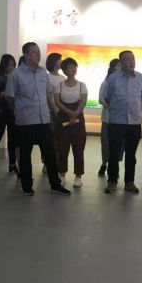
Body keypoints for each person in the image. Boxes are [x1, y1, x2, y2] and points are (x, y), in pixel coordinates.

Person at [5, 42, 71, 197]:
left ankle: (55, 184)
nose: (38, 54)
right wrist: (18, 109)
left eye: (38, 51)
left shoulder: (42, 73)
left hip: (44, 120)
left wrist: (54, 112)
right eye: (34, 52)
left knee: (50, 153)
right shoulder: (16, 75)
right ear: (26, 54)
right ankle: (26, 185)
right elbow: (9, 97)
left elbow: (48, 94)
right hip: (26, 121)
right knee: (25, 155)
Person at [102, 50, 142, 194]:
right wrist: (118, 109)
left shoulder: (140, 77)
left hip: (134, 123)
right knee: (114, 153)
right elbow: (107, 97)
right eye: (128, 59)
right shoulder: (113, 78)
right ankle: (112, 181)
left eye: (133, 59)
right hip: (116, 122)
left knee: (131, 154)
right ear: (121, 62)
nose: (131, 62)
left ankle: (129, 182)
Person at [54, 57, 88, 188]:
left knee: (78, 148)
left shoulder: (82, 85)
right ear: (64, 70)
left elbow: (83, 101)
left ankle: (78, 176)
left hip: (78, 118)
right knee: (62, 148)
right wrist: (69, 112)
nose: (73, 68)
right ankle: (62, 174)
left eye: (75, 66)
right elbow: (57, 101)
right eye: (70, 67)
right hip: (63, 117)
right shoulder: (59, 85)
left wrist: (75, 113)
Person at [98, 58, 122, 176]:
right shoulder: (106, 82)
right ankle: (104, 164)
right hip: (108, 118)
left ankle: (115, 165)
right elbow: (101, 99)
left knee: (119, 144)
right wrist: (112, 106)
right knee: (106, 142)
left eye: (121, 66)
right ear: (112, 68)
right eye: (118, 66)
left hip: (121, 120)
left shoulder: (124, 82)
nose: (120, 68)